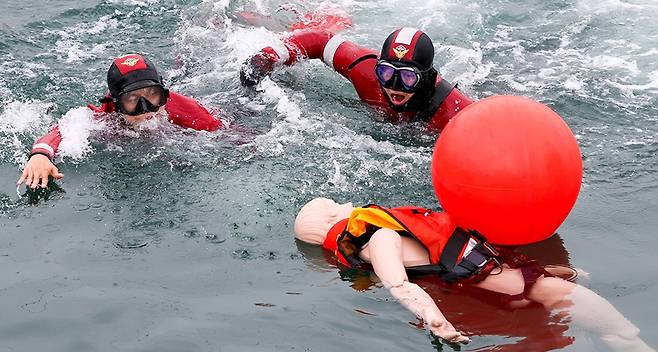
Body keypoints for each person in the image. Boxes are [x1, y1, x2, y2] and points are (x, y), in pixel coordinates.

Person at [294, 197, 658, 352]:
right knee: (619, 333)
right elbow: (400, 285)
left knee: (574, 342)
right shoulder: (378, 238)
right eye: (338, 204)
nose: (347, 202)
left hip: (493, 292)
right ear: (338, 217)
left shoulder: (360, 256)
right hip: (518, 287)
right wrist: (435, 320)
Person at [17, 53, 222, 189]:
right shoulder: (102, 118)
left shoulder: (182, 108)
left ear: (163, 94)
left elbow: (229, 134)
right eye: (132, 100)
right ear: (115, 104)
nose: (146, 109)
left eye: (153, 95)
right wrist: (39, 156)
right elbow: (61, 131)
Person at [241, 27, 473, 131]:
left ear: (426, 78)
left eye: (408, 78)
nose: (394, 85)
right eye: (386, 73)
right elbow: (320, 40)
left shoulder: (453, 111)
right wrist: (271, 56)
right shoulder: (365, 70)